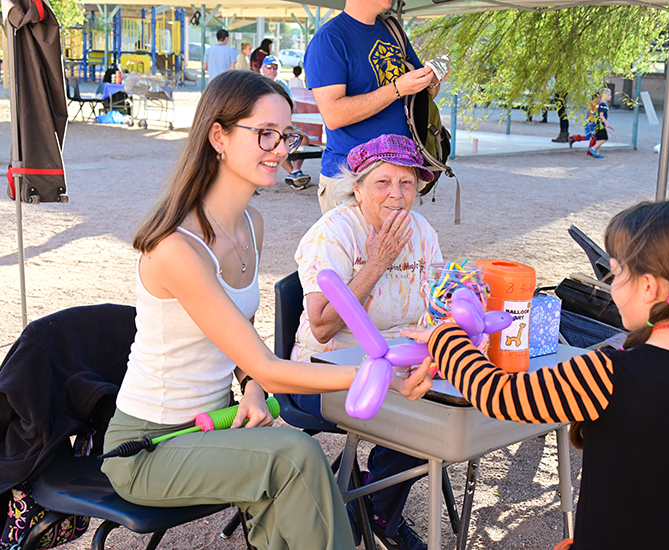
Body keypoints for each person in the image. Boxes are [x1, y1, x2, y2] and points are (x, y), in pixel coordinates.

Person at [99, 71, 432, 550]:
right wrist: (379, 374)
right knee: (296, 456)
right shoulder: (177, 248)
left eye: (287, 135)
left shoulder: (251, 224)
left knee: (292, 477)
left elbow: (244, 348)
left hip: (216, 424)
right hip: (149, 447)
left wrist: (251, 388)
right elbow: (268, 365)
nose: (282, 149)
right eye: (265, 134)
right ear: (218, 136)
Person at [403, 200, 669, 550]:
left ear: (649, 287)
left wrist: (444, 336)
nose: (612, 285)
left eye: (616, 273)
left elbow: (499, 394)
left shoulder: (608, 372)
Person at [290, 134, 443, 550]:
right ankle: (378, 510)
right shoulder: (334, 233)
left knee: (448, 404)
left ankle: (373, 503)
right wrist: (376, 264)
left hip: (398, 360)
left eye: (407, 183)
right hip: (325, 369)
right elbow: (321, 326)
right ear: (357, 188)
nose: (397, 194)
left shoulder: (422, 231)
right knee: (424, 419)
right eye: (383, 182)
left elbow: (435, 303)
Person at [304, 0, 441, 214]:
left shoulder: (393, 30)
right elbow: (333, 114)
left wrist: (431, 80)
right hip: (352, 178)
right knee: (355, 248)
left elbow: (424, 93)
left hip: (399, 174)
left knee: (393, 247)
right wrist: (396, 89)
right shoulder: (330, 39)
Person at [260, 55, 313, 190]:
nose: (273, 70)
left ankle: (295, 171)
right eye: (269, 67)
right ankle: (294, 173)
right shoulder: (257, 84)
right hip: (265, 126)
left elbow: (292, 105)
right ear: (262, 68)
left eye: (275, 67)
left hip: (283, 124)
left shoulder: (282, 84)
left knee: (303, 139)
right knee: (277, 143)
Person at [589, 87, 612, 158]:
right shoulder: (603, 105)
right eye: (609, 95)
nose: (611, 96)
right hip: (600, 125)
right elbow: (601, 115)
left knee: (599, 139)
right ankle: (593, 148)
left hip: (598, 124)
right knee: (604, 138)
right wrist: (606, 123)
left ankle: (597, 153)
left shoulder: (602, 104)